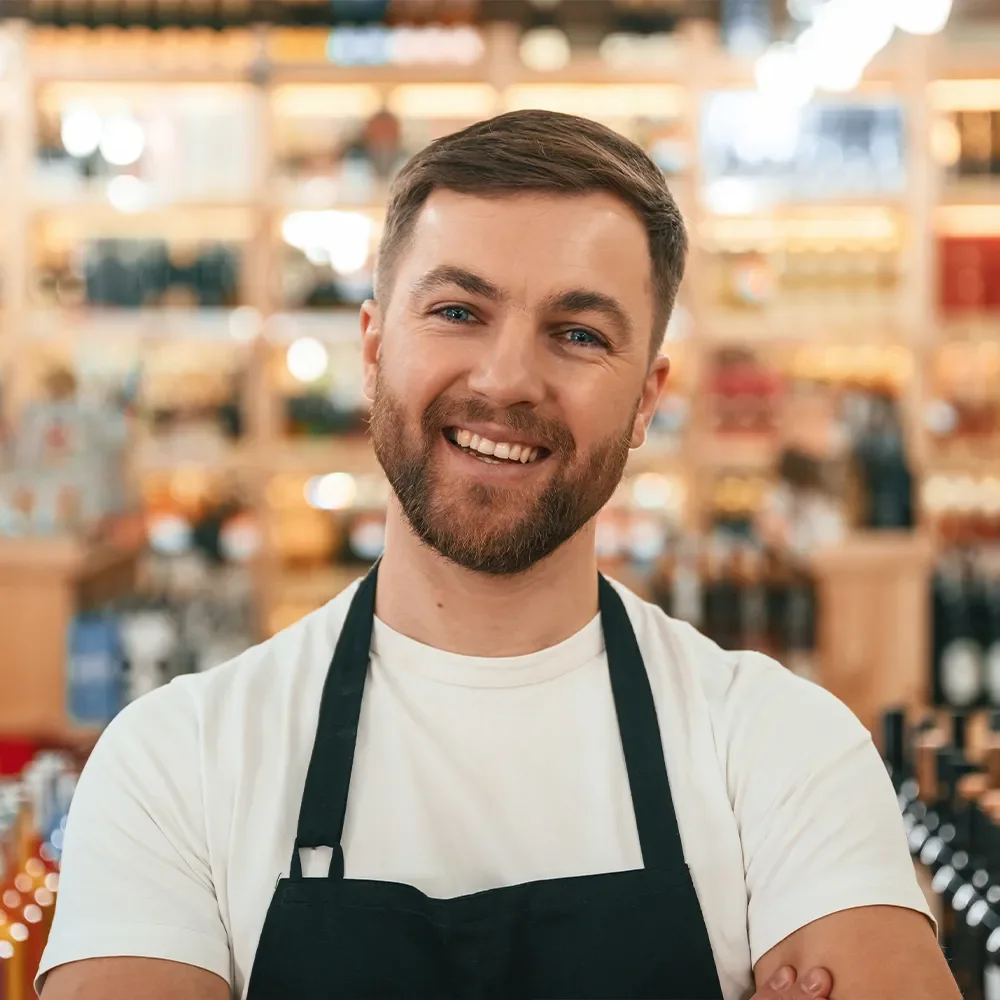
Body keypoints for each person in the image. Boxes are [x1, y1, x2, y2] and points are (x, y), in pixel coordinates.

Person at [38, 110, 958, 1000]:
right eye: (456, 310)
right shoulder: (173, 765)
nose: (506, 378)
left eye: (579, 334)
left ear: (646, 400)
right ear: (372, 349)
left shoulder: (785, 749)